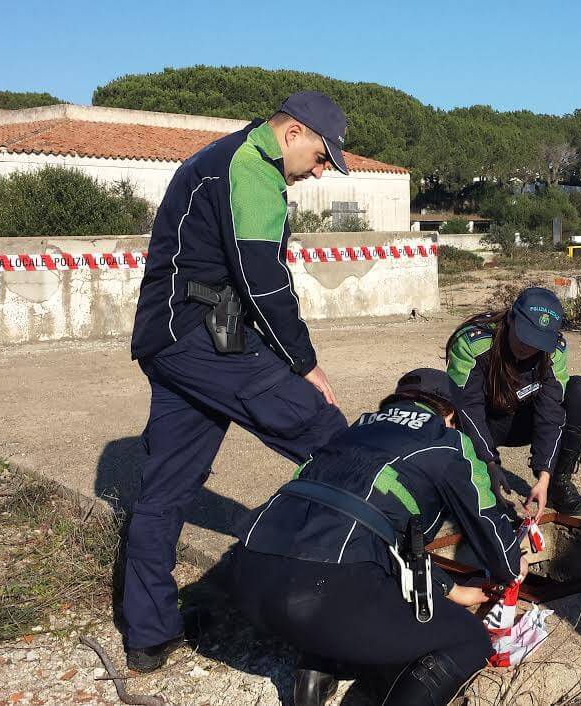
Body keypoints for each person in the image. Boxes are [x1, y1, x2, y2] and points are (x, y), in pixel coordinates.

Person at [122, 91, 354, 671]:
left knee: (167, 487)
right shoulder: (250, 169)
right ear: (294, 132)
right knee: (332, 438)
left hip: (173, 334)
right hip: (200, 331)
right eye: (324, 158)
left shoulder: (221, 159)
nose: (321, 172)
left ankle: (149, 635)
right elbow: (265, 283)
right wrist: (305, 365)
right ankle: (353, 590)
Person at [231, 368, 527, 706]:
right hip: (325, 594)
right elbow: (486, 524)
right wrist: (512, 563)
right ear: (450, 415)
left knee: (352, 557)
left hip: (249, 579)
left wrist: (455, 590)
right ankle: (323, 656)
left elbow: (379, 537)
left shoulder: (350, 432)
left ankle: (315, 669)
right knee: (469, 639)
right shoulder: (447, 441)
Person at [445, 287, 581, 517]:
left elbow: (551, 413)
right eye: (525, 335)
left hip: (524, 421)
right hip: (486, 422)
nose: (528, 347)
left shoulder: (554, 351)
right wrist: (489, 466)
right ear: (510, 319)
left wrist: (544, 474)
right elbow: (467, 409)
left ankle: (559, 483)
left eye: (538, 341)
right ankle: (472, 480)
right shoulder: (473, 342)